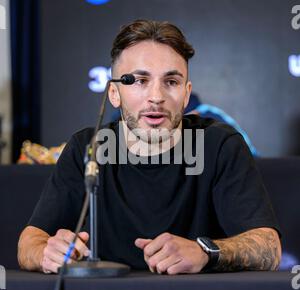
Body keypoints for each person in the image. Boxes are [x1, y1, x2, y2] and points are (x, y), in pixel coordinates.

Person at [18, 19, 281, 275]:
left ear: (186, 94)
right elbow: (29, 242)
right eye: (139, 81)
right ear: (113, 93)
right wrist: (46, 252)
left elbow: (269, 246)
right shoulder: (87, 147)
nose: (156, 97)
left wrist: (205, 252)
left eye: (171, 82)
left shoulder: (220, 144)